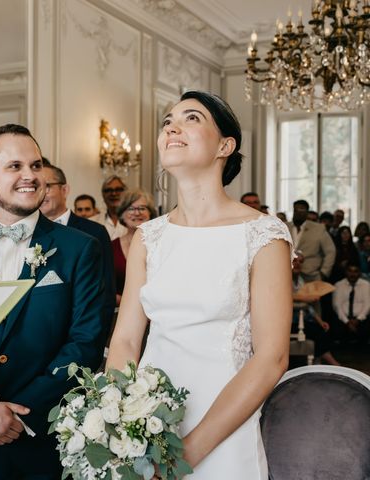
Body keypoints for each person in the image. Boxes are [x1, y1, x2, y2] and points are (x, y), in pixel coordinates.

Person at [107, 91, 293, 479]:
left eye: (192, 118)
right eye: (168, 121)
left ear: (225, 145)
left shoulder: (263, 234)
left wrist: (186, 453)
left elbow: (271, 357)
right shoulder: (149, 236)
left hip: (224, 426)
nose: (172, 126)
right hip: (149, 426)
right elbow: (125, 340)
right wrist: (120, 422)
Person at [0, 124, 106, 479]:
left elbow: (85, 343)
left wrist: (19, 413)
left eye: (36, 165)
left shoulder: (81, 248)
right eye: (15, 166)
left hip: (46, 442)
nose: (30, 176)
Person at [39, 160, 116, 337]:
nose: (41, 192)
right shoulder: (29, 233)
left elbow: (106, 294)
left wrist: (90, 340)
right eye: (37, 186)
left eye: (48, 186)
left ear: (65, 190)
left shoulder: (94, 232)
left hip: (81, 335)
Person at [291, 253, 339, 365]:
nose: (298, 264)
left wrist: (321, 321)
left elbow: (308, 307)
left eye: (300, 262)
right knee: (316, 331)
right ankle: (333, 363)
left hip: (302, 319)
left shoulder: (301, 280)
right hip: (290, 321)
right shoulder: (284, 279)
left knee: (322, 329)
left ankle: (320, 362)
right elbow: (287, 297)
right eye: (295, 261)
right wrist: (306, 298)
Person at [112, 189, 157, 305]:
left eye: (142, 208)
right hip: (120, 311)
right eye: (131, 208)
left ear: (150, 213)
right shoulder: (111, 247)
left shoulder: (160, 244)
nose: (137, 213)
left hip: (155, 311)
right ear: (122, 214)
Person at [287, 200, 336, 282]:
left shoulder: (318, 229)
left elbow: (330, 251)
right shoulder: (284, 227)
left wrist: (324, 273)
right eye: (296, 210)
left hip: (311, 276)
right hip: (286, 274)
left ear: (307, 212)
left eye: (302, 210)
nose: (299, 213)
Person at [333, 265, 370, 345]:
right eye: (350, 271)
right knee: (336, 327)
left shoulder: (366, 285)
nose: (352, 274)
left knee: (366, 328)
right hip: (343, 319)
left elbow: (368, 305)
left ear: (359, 273)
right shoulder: (338, 285)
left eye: (355, 271)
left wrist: (358, 320)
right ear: (346, 272)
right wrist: (347, 322)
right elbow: (337, 306)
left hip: (361, 319)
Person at [93, 175, 128, 240]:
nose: (113, 193)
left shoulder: (136, 221)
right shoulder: (92, 222)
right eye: (108, 190)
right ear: (103, 195)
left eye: (118, 189)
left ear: (126, 193)